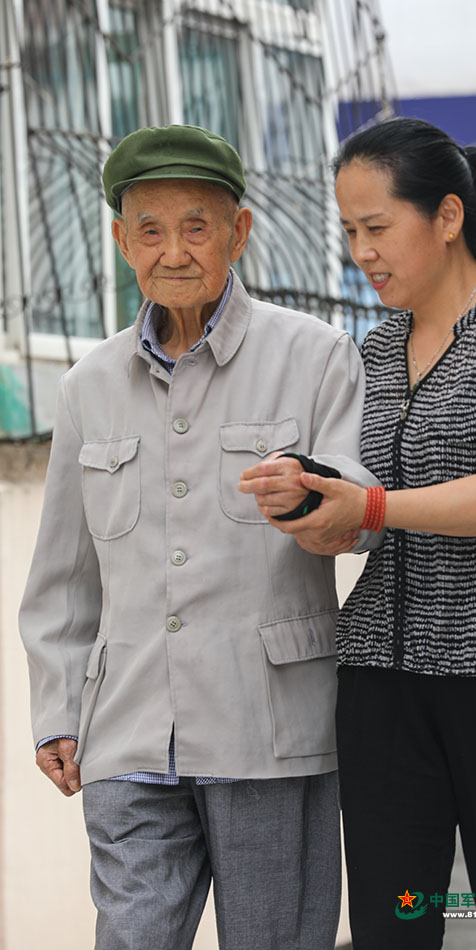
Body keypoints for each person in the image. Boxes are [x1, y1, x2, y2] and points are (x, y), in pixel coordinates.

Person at [239, 117, 476, 950]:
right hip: (383, 680)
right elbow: (368, 513)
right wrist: (313, 508)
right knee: (392, 927)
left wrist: (369, 508)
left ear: (447, 216)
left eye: (377, 227)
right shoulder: (375, 351)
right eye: (349, 231)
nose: (361, 252)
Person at [19, 124, 379, 950]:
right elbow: (63, 578)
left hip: (268, 725)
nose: (173, 252)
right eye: (149, 230)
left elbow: (361, 512)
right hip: (126, 729)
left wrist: (314, 498)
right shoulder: (86, 387)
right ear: (122, 243)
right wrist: (56, 711)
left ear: (238, 232)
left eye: (196, 227)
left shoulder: (315, 354)